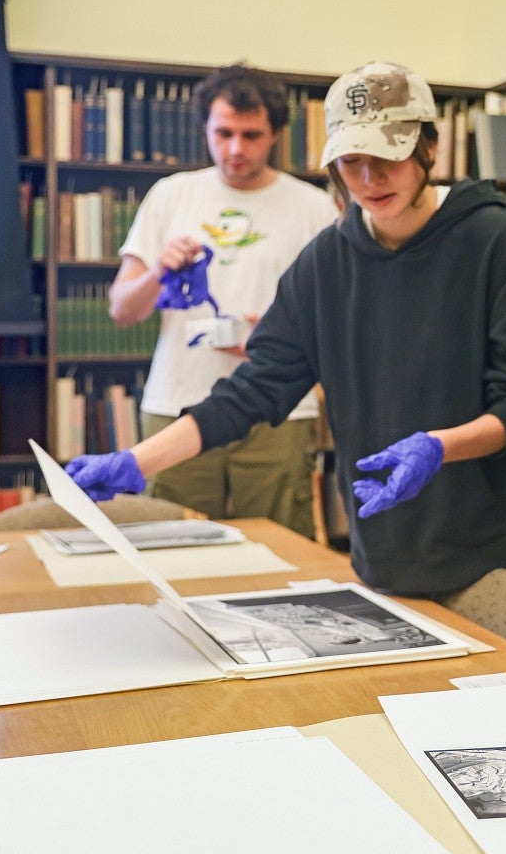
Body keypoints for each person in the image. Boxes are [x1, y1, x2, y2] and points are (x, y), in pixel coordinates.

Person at [68, 62, 506, 597]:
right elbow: (255, 389)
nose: (370, 180)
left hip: (502, 555)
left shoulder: (497, 242)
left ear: (428, 147)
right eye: (352, 162)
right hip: (388, 556)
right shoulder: (326, 261)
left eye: (388, 157)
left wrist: (439, 447)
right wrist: (134, 463)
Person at [107, 64, 338, 539]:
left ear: (274, 134)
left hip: (280, 408)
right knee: (170, 551)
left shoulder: (313, 207)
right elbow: (122, 309)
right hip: (177, 403)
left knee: (281, 552)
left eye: (251, 135)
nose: (235, 148)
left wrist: (272, 341)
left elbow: (342, 321)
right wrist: (158, 272)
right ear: (205, 131)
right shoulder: (172, 195)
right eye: (224, 133)